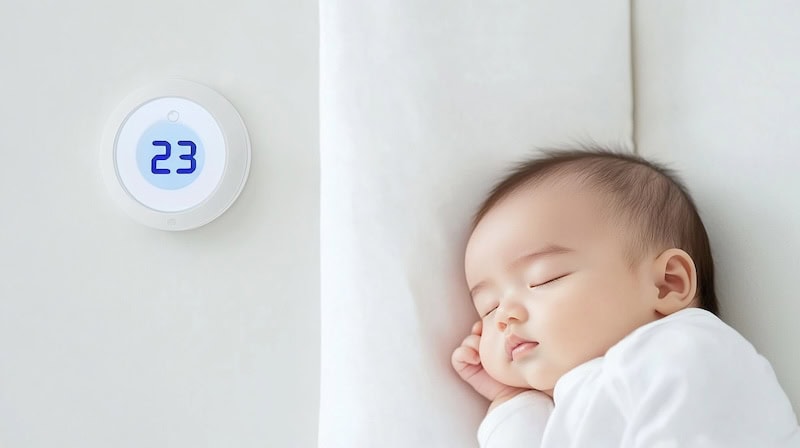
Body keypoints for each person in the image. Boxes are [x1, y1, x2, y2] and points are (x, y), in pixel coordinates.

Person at [450, 147, 800, 447]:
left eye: (545, 279)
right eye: (488, 307)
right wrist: (512, 402)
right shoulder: (574, 405)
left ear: (667, 284)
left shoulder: (683, 347)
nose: (503, 316)